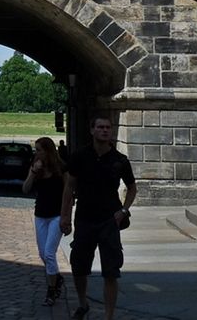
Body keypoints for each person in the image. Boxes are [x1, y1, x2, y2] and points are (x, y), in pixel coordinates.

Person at [60, 115, 137, 320]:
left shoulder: (120, 160)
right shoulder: (79, 156)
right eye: (100, 127)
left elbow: (132, 188)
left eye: (108, 127)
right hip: (84, 218)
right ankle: (83, 303)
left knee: (111, 271)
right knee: (79, 266)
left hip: (109, 220)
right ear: (92, 130)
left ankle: (108, 316)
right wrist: (64, 215)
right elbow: (69, 187)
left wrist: (124, 211)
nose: (105, 130)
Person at [23, 137, 66, 307]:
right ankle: (57, 278)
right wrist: (33, 173)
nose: (37, 153)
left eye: (39, 149)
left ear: (48, 151)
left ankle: (51, 291)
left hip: (56, 215)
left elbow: (68, 192)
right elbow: (25, 189)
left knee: (49, 253)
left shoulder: (61, 168)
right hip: (40, 214)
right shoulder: (36, 168)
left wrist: (66, 216)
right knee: (42, 254)